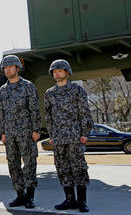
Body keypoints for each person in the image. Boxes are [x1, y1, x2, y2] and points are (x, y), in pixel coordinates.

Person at [44, 59, 94, 213]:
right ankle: (69, 200)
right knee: (62, 168)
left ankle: (82, 201)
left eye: (60, 70)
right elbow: (48, 116)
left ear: (67, 72)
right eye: (54, 71)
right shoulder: (49, 93)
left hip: (75, 136)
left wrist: (85, 133)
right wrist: (51, 134)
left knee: (79, 168)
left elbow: (84, 113)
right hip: (58, 138)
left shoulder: (77, 90)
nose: (57, 73)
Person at [0, 55, 41, 209]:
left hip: (26, 132)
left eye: (11, 66)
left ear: (17, 68)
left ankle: (30, 197)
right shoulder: (3, 90)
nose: (8, 69)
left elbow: (34, 109)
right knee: (13, 165)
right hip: (10, 134)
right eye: (5, 67)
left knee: (29, 163)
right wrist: (2, 132)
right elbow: (1, 112)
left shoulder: (28, 86)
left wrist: (36, 129)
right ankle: (20, 196)